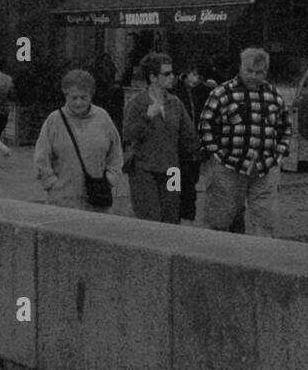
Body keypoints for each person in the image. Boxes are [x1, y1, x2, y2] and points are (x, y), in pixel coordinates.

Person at [199, 46, 291, 236]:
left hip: (265, 167)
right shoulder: (222, 93)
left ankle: (260, 260)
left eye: (259, 72)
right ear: (240, 68)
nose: (253, 76)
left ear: (265, 72)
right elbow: (206, 124)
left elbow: (285, 127)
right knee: (220, 218)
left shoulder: (274, 96)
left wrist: (279, 155)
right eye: (249, 71)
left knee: (265, 220)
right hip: (229, 166)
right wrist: (216, 154)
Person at [122, 53, 199, 223]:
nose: (172, 77)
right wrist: (147, 117)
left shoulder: (175, 103)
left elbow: (189, 135)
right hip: (144, 169)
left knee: (172, 217)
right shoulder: (137, 103)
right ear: (153, 77)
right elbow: (128, 134)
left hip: (172, 170)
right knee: (150, 218)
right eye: (167, 74)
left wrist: (200, 152)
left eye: (172, 73)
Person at [33, 69, 123, 212]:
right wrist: (51, 183)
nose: (79, 103)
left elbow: (115, 153)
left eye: (83, 97)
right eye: (74, 98)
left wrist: (111, 177)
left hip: (97, 201)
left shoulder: (103, 118)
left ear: (91, 96)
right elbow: (41, 157)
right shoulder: (54, 121)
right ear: (66, 95)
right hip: (62, 201)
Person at [171, 65, 214, 223]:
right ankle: (174, 216)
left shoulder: (203, 92)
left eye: (200, 77)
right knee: (174, 187)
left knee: (190, 186)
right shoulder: (175, 90)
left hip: (192, 149)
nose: (196, 79)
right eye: (194, 75)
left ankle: (186, 217)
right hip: (175, 150)